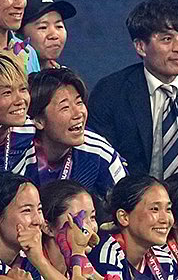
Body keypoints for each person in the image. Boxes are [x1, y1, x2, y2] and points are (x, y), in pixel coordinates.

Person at [88, 0, 178, 179]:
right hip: (127, 200)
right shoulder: (110, 93)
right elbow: (105, 165)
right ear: (141, 47)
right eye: (167, 39)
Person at [27, 67, 125, 198]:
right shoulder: (18, 152)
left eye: (79, 103)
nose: (78, 113)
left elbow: (129, 204)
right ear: (39, 120)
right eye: (65, 107)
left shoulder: (98, 151)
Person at [0, 172, 79, 280]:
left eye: (39, 209)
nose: (38, 221)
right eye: (26, 210)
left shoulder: (29, 261)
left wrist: (40, 260)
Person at [89, 174, 178, 280]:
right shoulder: (107, 255)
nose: (165, 219)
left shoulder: (164, 259)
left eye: (168, 209)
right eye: (154, 209)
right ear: (124, 217)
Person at [38, 179, 105, 280]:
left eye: (93, 217)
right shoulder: (31, 268)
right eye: (79, 219)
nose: (91, 227)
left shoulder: (82, 269)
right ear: (47, 227)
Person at [21, 0, 75, 71]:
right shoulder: (8, 76)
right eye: (43, 27)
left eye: (59, 26)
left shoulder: (64, 77)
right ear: (19, 34)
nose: (54, 35)